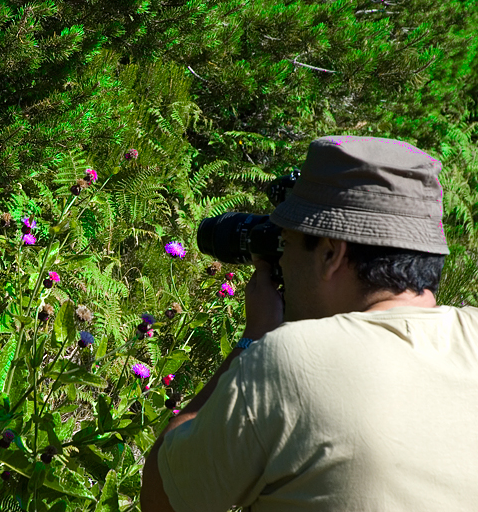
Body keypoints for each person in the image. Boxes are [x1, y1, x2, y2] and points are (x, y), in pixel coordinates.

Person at [141, 136, 478, 512]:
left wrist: (254, 339)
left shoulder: (290, 359)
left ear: (331, 254)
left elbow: (164, 499)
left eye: (285, 243)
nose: (281, 261)